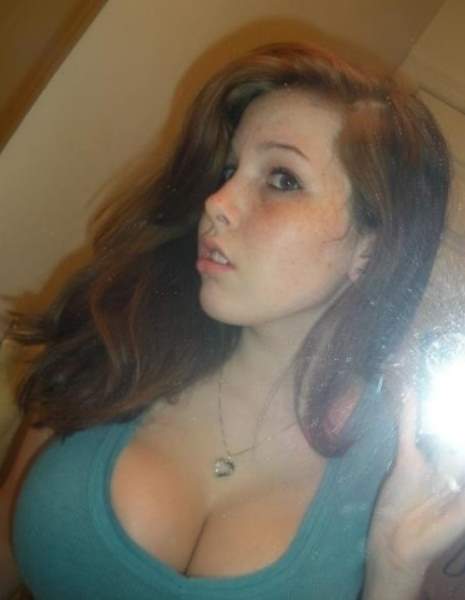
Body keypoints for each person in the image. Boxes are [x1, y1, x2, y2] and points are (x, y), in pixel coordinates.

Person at [0, 41, 463, 600]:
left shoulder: (400, 468)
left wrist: (395, 569)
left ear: (371, 248)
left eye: (282, 179)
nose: (216, 202)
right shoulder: (117, 334)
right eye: (228, 169)